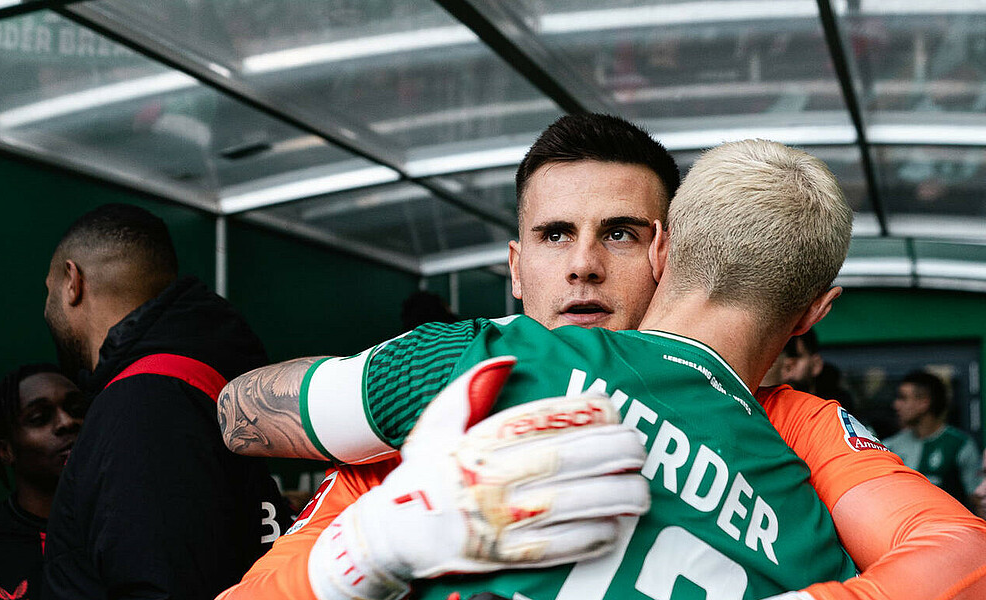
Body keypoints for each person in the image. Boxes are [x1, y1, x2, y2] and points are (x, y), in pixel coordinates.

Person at [218, 117, 986, 599]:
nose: (583, 264)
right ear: (516, 269)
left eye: (618, 232)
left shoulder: (797, 426)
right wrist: (367, 553)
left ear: (665, 250)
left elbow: (960, 556)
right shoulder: (443, 397)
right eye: (555, 236)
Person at [41, 204, 290, 599]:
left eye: (48, 291)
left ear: (73, 282)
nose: (45, 309)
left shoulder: (143, 404)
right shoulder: (202, 377)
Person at [0, 364, 84, 600]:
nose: (67, 422)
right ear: (6, 450)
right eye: (39, 418)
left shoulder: (125, 524)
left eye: (77, 409)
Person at [885, 370, 982, 504]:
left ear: (924, 403)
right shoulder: (891, 445)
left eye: (903, 398)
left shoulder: (959, 444)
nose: (896, 405)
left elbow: (977, 498)